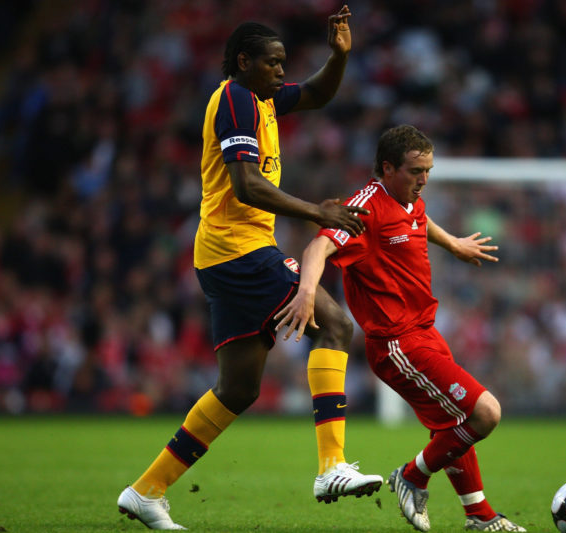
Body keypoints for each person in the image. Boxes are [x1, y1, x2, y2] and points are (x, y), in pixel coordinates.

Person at [117, 6, 382, 530]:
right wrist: (317, 212)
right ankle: (331, 466)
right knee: (336, 323)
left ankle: (146, 491)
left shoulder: (259, 98)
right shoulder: (236, 99)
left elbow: (318, 94)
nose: (282, 72)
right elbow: (245, 185)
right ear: (244, 62)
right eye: (273, 63)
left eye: (284, 63)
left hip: (222, 255)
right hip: (239, 249)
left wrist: (339, 56)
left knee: (238, 389)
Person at [275, 125, 527, 532]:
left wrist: (453, 244)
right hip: (396, 343)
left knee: (453, 425)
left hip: (425, 332)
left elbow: (418, 221)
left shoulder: (411, 199)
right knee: (484, 413)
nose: (423, 179)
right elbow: (318, 245)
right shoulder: (364, 206)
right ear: (387, 168)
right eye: (415, 171)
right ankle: (411, 476)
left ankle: (479, 515)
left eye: (428, 170)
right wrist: (307, 293)